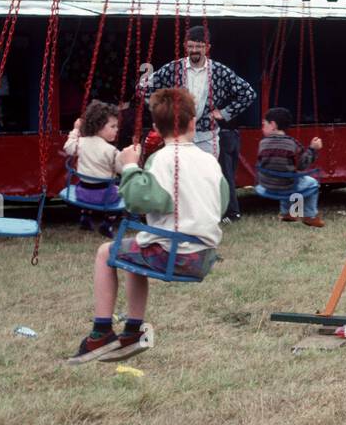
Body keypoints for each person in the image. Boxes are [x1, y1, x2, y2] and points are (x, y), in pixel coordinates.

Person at [67, 88, 228, 365]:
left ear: (155, 127)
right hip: (204, 255)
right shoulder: (210, 161)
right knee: (135, 249)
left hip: (176, 255)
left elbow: (140, 202)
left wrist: (130, 168)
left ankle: (101, 332)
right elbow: (221, 202)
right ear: (192, 123)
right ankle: (132, 330)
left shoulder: (161, 160)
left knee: (107, 253)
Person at [141, 25, 256, 159]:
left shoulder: (220, 71)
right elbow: (142, 87)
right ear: (185, 46)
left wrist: (224, 113)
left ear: (207, 48)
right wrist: (163, 111)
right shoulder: (173, 68)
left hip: (206, 138)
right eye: (190, 46)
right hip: (178, 136)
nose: (194, 50)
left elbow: (248, 93)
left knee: (205, 176)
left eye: (199, 47)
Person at [63, 100, 125, 236]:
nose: (117, 129)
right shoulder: (111, 151)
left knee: (84, 181)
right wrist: (131, 159)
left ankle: (85, 216)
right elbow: (124, 170)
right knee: (121, 192)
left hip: (82, 193)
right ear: (99, 126)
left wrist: (76, 129)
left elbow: (68, 147)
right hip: (105, 197)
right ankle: (107, 224)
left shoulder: (82, 143)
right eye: (113, 126)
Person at [257, 106, 324, 227]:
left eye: (263, 124)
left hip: (266, 185)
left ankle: (288, 213)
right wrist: (312, 149)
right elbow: (302, 165)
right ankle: (310, 216)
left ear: (272, 125)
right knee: (311, 183)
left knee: (286, 174)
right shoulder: (292, 143)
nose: (262, 127)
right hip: (285, 184)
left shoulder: (262, 143)